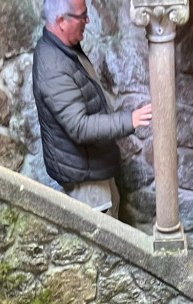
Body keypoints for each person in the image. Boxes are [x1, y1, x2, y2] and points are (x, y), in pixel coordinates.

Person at [32, 0, 152, 217]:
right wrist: (130, 120)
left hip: (92, 167)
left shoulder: (64, 49)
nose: (87, 21)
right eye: (82, 16)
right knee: (103, 239)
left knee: (113, 217)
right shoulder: (53, 66)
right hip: (86, 180)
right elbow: (80, 126)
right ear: (61, 21)